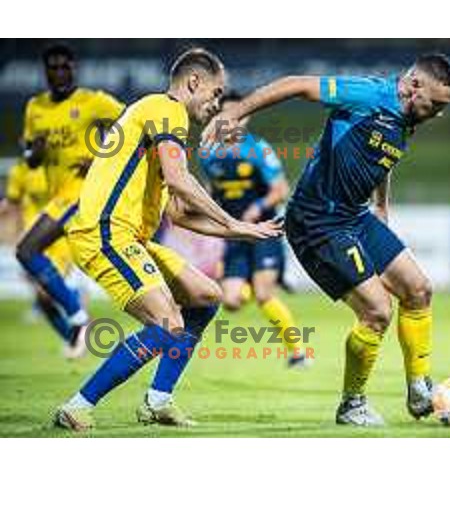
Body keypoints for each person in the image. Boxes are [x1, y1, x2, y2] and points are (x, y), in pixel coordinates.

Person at [203, 54, 450, 427]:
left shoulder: (408, 117)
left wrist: (381, 204)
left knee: (419, 289)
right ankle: (352, 404)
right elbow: (295, 83)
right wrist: (235, 112)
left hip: (355, 215)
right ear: (413, 85)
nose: (438, 112)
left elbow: (381, 158)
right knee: (376, 311)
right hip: (318, 220)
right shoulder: (368, 95)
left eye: (444, 107)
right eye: (436, 103)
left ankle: (419, 388)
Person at [54, 47, 282, 431]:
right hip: (105, 232)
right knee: (167, 324)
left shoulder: (164, 125)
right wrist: (232, 220)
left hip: (132, 237)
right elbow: (180, 181)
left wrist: (239, 230)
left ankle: (158, 400)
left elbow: (177, 212)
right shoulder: (166, 108)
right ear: (194, 82)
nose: (216, 103)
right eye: (215, 92)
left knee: (206, 296)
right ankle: (77, 405)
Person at [16, 43, 124, 356]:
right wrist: (34, 151)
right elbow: (31, 157)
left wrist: (103, 157)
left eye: (66, 66)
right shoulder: (35, 107)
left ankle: (78, 317)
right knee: (38, 277)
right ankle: (80, 335)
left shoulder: (93, 101)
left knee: (26, 249)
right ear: (45, 71)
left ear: (75, 68)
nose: (60, 72)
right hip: (56, 200)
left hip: (83, 192)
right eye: (54, 67)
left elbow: (133, 123)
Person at [199, 93, 307, 367]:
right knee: (232, 301)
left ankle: (297, 353)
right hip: (235, 234)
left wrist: (257, 207)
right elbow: (212, 193)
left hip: (264, 231)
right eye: (226, 116)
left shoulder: (259, 148)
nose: (232, 122)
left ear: (246, 117)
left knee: (263, 295)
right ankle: (266, 275)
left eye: (238, 115)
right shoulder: (207, 154)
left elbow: (281, 190)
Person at [1, 148, 74, 341]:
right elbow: (12, 204)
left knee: (45, 293)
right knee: (43, 299)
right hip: (33, 240)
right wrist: (15, 233)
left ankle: (79, 324)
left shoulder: (60, 166)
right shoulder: (20, 171)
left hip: (59, 239)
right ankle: (75, 336)